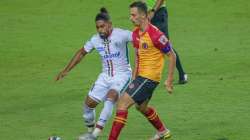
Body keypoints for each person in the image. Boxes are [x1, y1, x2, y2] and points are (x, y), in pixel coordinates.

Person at [55, 8, 132, 140]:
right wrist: (66, 70)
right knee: (88, 106)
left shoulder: (122, 34)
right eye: (98, 27)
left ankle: (96, 134)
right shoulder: (95, 40)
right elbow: (81, 53)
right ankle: (90, 131)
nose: (100, 30)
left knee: (111, 97)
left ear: (110, 24)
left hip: (122, 75)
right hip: (105, 76)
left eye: (103, 26)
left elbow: (140, 38)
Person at [108, 1, 176, 140]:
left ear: (144, 15)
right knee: (141, 108)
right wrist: (134, 77)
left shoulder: (156, 35)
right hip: (141, 77)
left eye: (133, 15)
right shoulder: (135, 34)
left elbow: (172, 55)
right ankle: (163, 131)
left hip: (149, 78)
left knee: (122, 104)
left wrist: (169, 80)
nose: (130, 18)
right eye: (130, 15)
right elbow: (138, 57)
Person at [145, 0, 188, 84]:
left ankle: (182, 74)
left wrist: (153, 11)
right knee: (149, 44)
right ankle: (149, 76)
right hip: (145, 14)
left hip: (158, 13)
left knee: (164, 44)